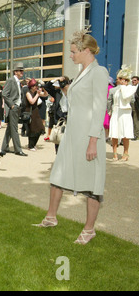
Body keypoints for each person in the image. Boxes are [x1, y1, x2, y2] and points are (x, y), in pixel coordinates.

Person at [33, 30, 109, 245]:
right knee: (58, 175)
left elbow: (98, 108)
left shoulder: (99, 72)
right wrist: (62, 89)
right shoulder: (82, 73)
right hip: (72, 134)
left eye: (74, 52)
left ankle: (89, 229)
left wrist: (93, 141)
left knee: (92, 183)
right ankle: (50, 218)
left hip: (88, 137)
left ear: (86, 51)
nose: (71, 56)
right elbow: (77, 103)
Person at [107, 65, 136, 161]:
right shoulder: (113, 90)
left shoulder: (130, 89)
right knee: (114, 133)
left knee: (125, 134)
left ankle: (126, 152)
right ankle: (115, 152)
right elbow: (109, 101)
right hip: (116, 111)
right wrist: (109, 111)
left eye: (119, 79)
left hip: (126, 113)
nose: (117, 80)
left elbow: (132, 101)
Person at [0, 62, 28, 157]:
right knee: (14, 129)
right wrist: (12, 105)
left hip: (17, 107)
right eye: (20, 70)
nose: (22, 72)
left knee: (10, 128)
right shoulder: (11, 80)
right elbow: (4, 93)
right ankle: (18, 149)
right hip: (14, 107)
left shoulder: (17, 81)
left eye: (22, 70)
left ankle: (4, 148)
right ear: (15, 72)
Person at [44, 76, 70, 153]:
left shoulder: (72, 92)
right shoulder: (57, 93)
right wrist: (57, 79)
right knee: (59, 137)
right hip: (59, 117)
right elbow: (46, 86)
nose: (63, 87)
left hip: (70, 117)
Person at [25, 79, 46, 151]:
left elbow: (45, 95)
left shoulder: (37, 92)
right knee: (32, 129)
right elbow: (31, 101)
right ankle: (31, 146)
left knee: (40, 128)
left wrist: (44, 88)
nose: (36, 87)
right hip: (30, 112)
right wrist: (37, 94)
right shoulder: (28, 93)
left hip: (36, 112)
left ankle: (33, 144)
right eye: (35, 86)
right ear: (31, 86)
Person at [130, 75, 139, 140]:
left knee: (136, 120)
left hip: (136, 104)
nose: (133, 82)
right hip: (130, 104)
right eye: (132, 80)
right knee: (131, 119)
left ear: (138, 81)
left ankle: (136, 134)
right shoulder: (130, 87)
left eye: (135, 80)